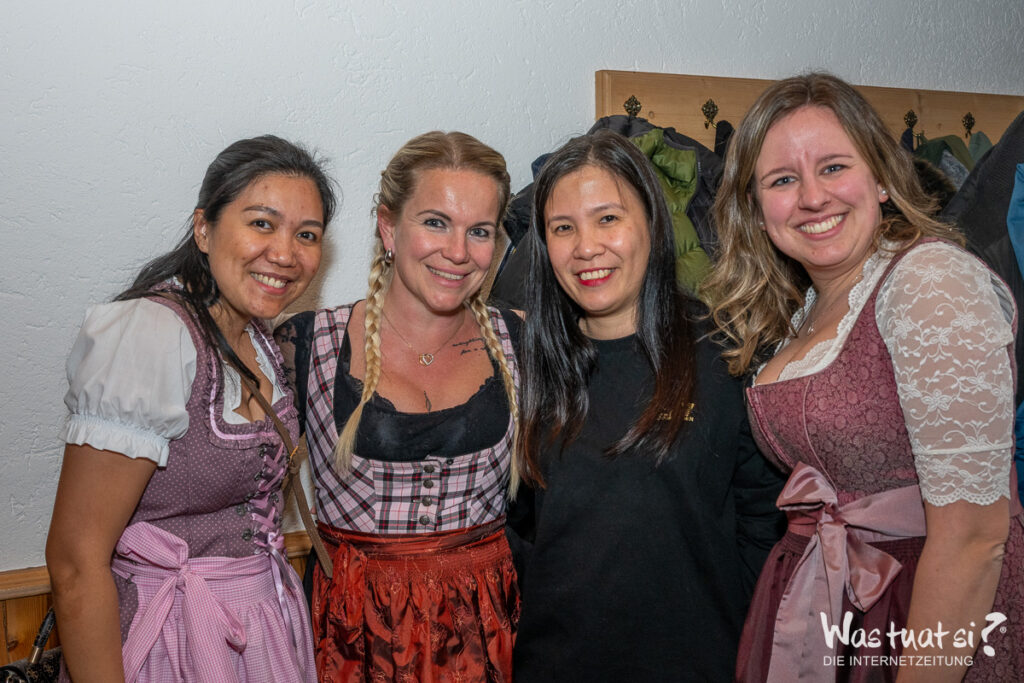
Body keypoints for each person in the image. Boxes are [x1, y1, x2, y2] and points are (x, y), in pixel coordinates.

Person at [704, 72, 1024, 682]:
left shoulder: (929, 282)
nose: (812, 197)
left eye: (833, 167)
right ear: (756, 209)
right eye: (782, 180)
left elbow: (974, 537)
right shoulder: (803, 308)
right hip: (833, 610)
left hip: (924, 614)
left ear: (880, 178)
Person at [46, 135, 336, 683]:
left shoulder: (259, 337)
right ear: (204, 228)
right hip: (170, 641)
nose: (285, 253)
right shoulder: (151, 335)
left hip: (261, 632)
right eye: (262, 223)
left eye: (307, 235)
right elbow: (75, 563)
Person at [510, 129, 785, 682]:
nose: (587, 247)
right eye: (563, 228)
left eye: (608, 218)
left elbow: (764, 523)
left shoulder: (727, 354)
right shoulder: (524, 361)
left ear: (653, 224)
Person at [274, 131, 521, 681]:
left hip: (488, 635)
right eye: (436, 222)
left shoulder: (520, 341)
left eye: (479, 231)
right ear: (389, 227)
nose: (458, 252)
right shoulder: (307, 342)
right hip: (354, 638)